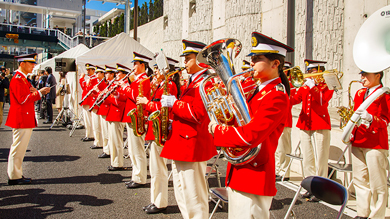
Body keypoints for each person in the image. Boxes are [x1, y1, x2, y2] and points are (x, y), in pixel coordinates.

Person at [208, 32, 293, 219]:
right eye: (251, 58)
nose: (251, 63)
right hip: (242, 170)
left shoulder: (277, 96)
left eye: (256, 59)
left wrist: (218, 130)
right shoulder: (258, 90)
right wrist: (225, 116)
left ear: (275, 64)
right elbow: (240, 122)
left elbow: (251, 135)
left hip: (255, 173)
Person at [160, 40, 217, 219]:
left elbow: (197, 114)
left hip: (192, 143)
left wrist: (174, 103)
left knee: (194, 195)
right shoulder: (193, 81)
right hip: (182, 141)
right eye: (184, 58)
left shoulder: (206, 83)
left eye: (188, 58)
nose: (184, 62)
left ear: (201, 59)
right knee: (182, 192)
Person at [137, 57, 181, 214]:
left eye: (157, 69)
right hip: (155, 128)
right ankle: (155, 200)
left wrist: (146, 103)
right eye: (154, 69)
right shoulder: (161, 84)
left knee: (159, 168)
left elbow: (164, 107)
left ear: (166, 70)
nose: (154, 72)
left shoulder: (169, 85)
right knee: (155, 168)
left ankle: (160, 202)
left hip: (162, 129)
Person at [290, 59, 334, 202]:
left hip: (320, 124)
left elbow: (322, 101)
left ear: (320, 72)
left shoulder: (326, 86)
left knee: (321, 158)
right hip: (305, 123)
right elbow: (295, 99)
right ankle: (309, 186)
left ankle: (321, 189)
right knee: (307, 158)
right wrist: (283, 91)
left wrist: (313, 87)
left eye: (312, 72)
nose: (309, 75)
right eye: (308, 72)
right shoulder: (305, 86)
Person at [350, 71, 390, 219]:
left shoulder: (384, 95)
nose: (362, 78)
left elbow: (385, 120)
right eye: (362, 74)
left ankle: (376, 216)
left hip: (376, 142)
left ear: (378, 75)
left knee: (377, 183)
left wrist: (371, 119)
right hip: (358, 139)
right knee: (360, 180)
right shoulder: (360, 93)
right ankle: (362, 213)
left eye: (366, 75)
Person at [6, 53, 50, 185]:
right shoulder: (18, 79)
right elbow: (23, 100)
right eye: (31, 63)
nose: (33, 66)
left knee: (19, 148)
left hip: (23, 117)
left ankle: (16, 174)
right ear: (22, 64)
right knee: (18, 148)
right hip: (21, 118)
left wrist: (34, 91)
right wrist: (39, 93)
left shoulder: (22, 79)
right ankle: (14, 176)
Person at [120, 53, 152, 188]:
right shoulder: (137, 79)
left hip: (137, 117)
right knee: (132, 150)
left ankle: (140, 178)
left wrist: (125, 87)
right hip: (131, 116)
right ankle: (135, 175)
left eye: (135, 64)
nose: (133, 67)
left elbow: (136, 97)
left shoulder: (144, 80)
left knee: (137, 149)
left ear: (142, 65)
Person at [275, 61, 295, 181]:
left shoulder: (290, 85)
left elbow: (293, 101)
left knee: (283, 148)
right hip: (277, 120)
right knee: (277, 149)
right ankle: (278, 169)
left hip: (285, 120)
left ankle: (284, 172)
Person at [96, 66, 116, 159]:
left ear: (112, 74)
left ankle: (108, 150)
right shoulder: (108, 83)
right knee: (105, 132)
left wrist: (101, 93)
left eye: (107, 73)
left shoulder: (111, 83)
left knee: (108, 133)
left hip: (108, 109)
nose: (106, 75)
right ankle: (106, 149)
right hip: (104, 108)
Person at [79, 63, 96, 142]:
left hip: (89, 101)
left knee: (89, 119)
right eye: (87, 69)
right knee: (87, 119)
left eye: (89, 70)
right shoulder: (90, 78)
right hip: (86, 101)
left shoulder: (93, 78)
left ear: (93, 70)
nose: (87, 71)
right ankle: (88, 134)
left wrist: (81, 78)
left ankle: (90, 135)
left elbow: (85, 88)